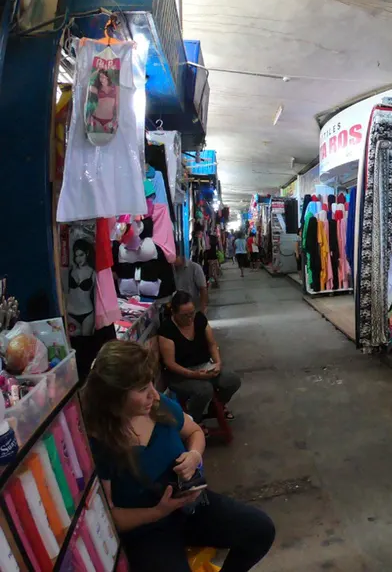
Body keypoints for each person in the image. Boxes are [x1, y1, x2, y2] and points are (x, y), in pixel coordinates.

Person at [82, 341, 274, 571]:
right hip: (150, 529)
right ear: (114, 396)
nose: (153, 395)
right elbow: (110, 516)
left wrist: (194, 455)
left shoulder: (157, 406)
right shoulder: (99, 443)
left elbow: (194, 431)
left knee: (260, 530)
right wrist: (158, 512)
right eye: (142, 389)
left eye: (151, 385)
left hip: (191, 506)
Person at [158, 291, 241, 422]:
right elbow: (170, 364)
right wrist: (194, 375)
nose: (190, 318)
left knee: (232, 380)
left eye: (192, 313)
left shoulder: (200, 320)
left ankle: (216, 407)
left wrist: (217, 363)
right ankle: (194, 419)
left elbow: (212, 344)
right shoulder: (167, 330)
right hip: (180, 375)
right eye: (185, 316)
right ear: (173, 313)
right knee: (204, 389)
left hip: (204, 366)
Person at [67, 239, 96, 337]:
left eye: (81, 255)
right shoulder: (70, 271)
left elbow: (96, 297)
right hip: (71, 313)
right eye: (76, 256)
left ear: (87, 254)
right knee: (75, 344)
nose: (78, 259)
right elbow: (64, 293)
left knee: (87, 345)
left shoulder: (93, 273)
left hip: (88, 313)